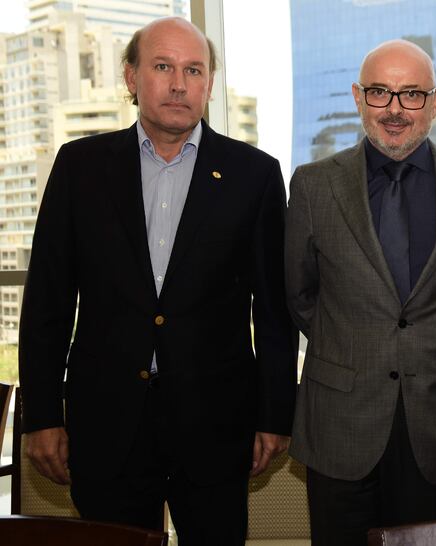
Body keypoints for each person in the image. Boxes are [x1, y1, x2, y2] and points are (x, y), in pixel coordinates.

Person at [18, 17, 297, 546]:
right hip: (106, 423)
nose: (179, 84)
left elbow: (273, 310)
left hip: (216, 425)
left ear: (209, 84)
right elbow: (47, 303)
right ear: (131, 77)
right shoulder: (80, 167)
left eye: (194, 70)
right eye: (163, 66)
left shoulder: (254, 174)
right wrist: (43, 416)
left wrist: (275, 415)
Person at [285, 39, 436, 545]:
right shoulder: (313, 185)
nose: (395, 109)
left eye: (412, 94)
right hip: (341, 425)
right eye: (380, 92)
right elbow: (299, 294)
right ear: (358, 97)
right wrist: (356, 346)